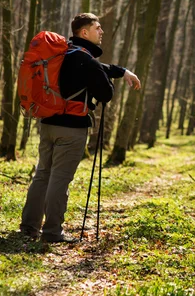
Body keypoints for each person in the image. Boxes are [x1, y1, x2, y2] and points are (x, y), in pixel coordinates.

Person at [19, 13, 141, 243]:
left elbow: (100, 68)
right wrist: (111, 82)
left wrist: (121, 71)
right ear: (84, 32)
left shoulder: (62, 53)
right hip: (72, 129)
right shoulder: (86, 60)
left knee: (42, 175)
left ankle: (28, 227)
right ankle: (52, 233)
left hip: (47, 124)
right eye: (98, 27)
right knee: (60, 178)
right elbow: (106, 94)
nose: (101, 31)